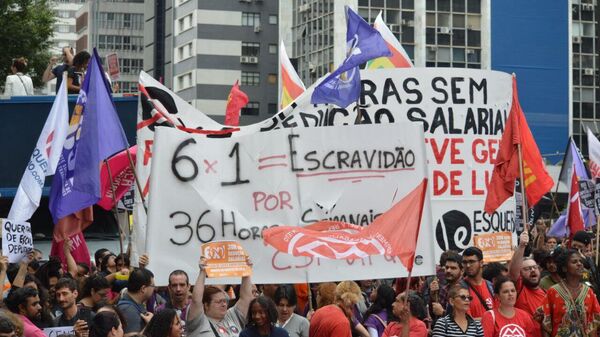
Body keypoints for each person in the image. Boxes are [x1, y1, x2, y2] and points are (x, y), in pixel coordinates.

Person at [186, 256, 254, 337]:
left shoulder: (232, 316)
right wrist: (203, 272)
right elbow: (196, 300)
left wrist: (246, 271)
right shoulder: (199, 322)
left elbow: (246, 298)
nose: (224, 304)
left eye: (225, 301)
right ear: (206, 305)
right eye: (219, 302)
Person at [542, 248, 600, 336]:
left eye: (580, 261)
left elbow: (593, 324)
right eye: (574, 262)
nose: (580, 264)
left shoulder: (589, 292)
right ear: (564, 268)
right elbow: (546, 326)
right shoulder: (553, 292)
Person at [507, 231, 545, 335]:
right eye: (527, 269)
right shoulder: (519, 288)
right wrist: (522, 245)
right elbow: (513, 273)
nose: (532, 270)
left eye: (534, 267)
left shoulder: (546, 293)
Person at [116, 268, 155, 335]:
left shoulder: (135, 304)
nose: (154, 288)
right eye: (153, 285)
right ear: (143, 289)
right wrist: (149, 325)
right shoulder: (128, 310)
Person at [461, 247, 494, 319]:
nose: (468, 265)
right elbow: (466, 321)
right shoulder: (459, 288)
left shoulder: (491, 286)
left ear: (481, 263)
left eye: (471, 261)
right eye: (465, 262)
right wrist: (490, 320)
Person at [430, 251, 463, 319]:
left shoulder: (466, 289)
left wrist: (443, 313)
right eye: (447, 267)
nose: (448, 270)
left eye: (453, 268)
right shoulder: (444, 289)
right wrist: (433, 297)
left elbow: (465, 318)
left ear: (462, 271)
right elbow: (435, 314)